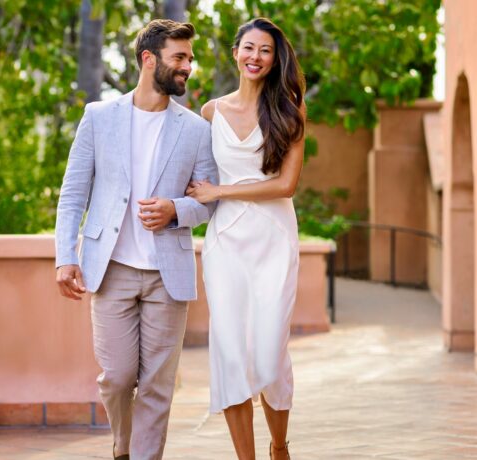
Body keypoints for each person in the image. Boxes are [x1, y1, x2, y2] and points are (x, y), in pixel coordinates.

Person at [54, 19, 217, 460]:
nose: (187, 67)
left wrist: (174, 211)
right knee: (118, 376)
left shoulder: (197, 129)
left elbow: (209, 201)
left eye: (189, 58)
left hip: (169, 274)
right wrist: (64, 256)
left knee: (158, 387)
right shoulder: (98, 116)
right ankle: (122, 449)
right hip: (111, 270)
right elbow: (73, 193)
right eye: (179, 58)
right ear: (149, 59)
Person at [186, 17, 306, 460]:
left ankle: (279, 445)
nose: (256, 57)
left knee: (270, 352)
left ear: (275, 60)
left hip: (274, 238)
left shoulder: (289, 111)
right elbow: (196, 180)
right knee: (231, 351)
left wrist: (222, 191)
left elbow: (285, 185)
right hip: (225, 245)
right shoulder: (210, 112)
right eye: (249, 48)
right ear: (235, 52)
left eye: (266, 51)